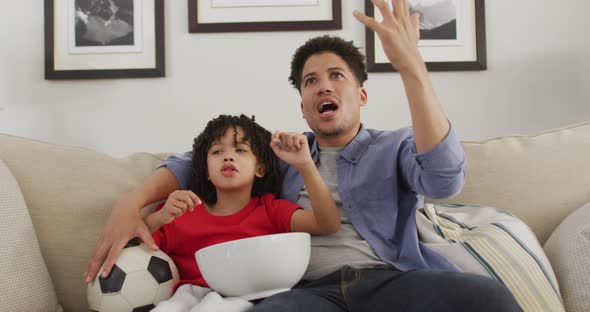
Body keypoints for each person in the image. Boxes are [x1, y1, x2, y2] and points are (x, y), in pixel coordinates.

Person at [86, 0, 522, 310]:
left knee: (490, 298)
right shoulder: (283, 155)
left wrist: (412, 68)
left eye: (336, 76)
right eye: (311, 81)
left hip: (390, 280)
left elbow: (444, 179)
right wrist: (131, 204)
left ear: (361, 94)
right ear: (303, 105)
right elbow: (194, 162)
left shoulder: (395, 146)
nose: (324, 86)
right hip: (305, 290)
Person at [145, 114, 339, 311]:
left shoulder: (271, 210)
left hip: (247, 296)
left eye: (240, 150)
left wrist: (305, 165)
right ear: (206, 171)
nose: (228, 156)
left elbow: (327, 223)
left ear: (260, 169)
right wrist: (159, 218)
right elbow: (137, 240)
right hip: (190, 294)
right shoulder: (182, 210)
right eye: (217, 151)